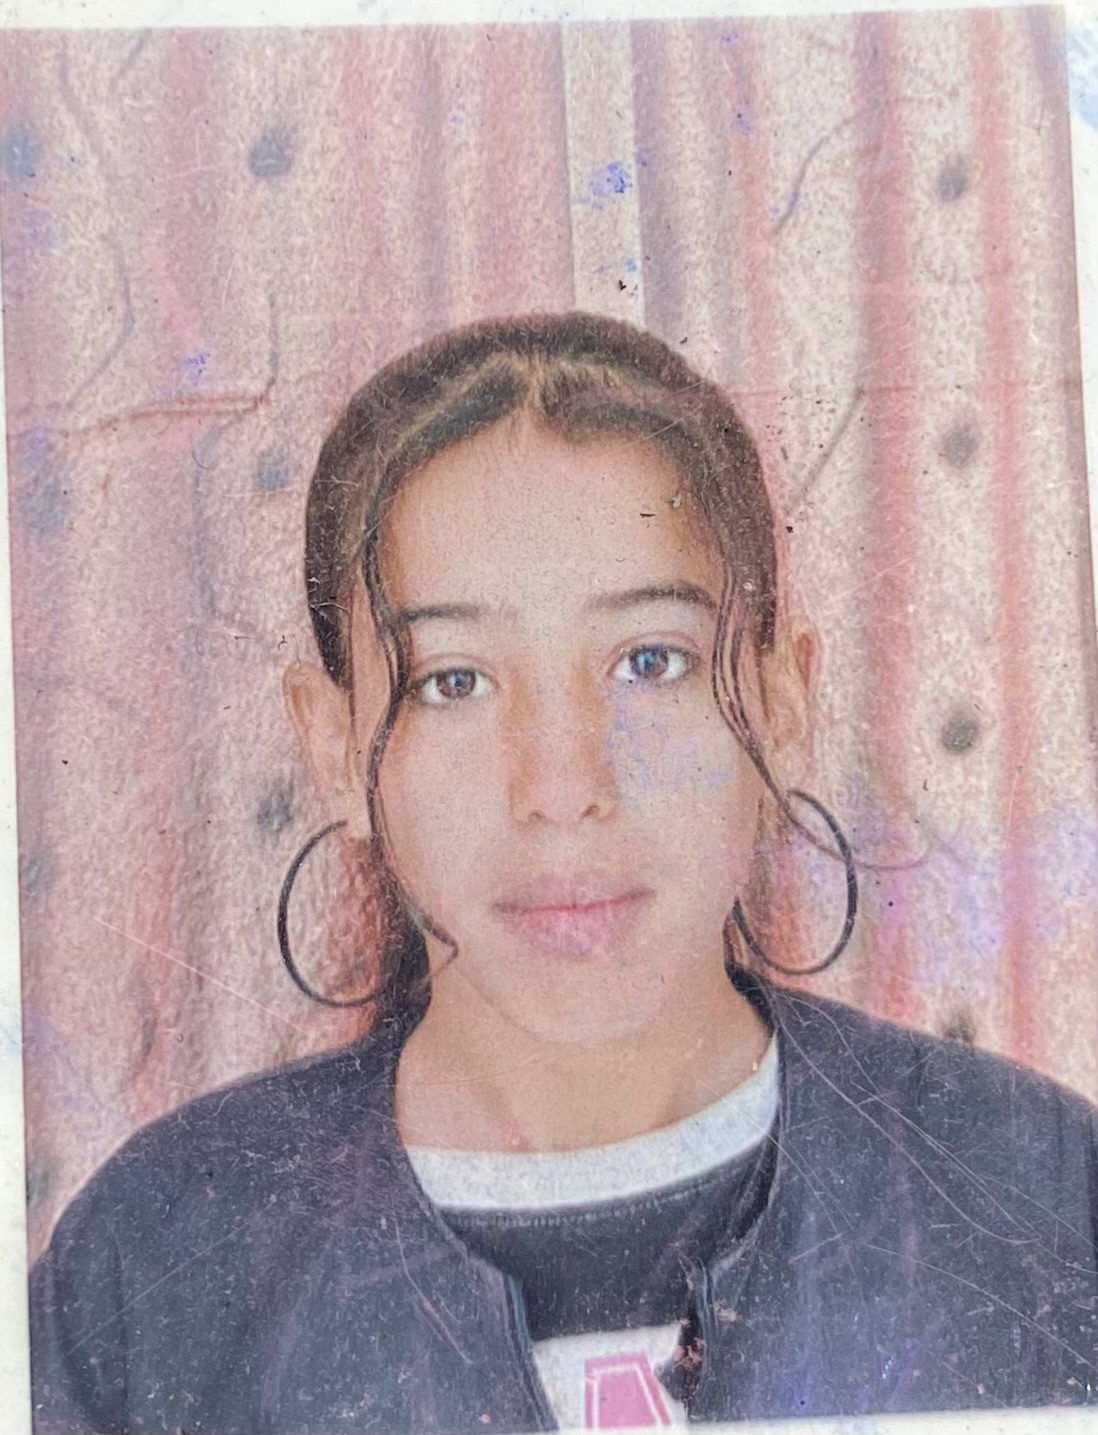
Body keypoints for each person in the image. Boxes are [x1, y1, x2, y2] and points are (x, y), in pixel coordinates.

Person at [29, 313, 1098, 1434]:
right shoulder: (152, 1265)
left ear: (783, 706)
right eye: (453, 681)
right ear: (335, 749)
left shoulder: (1040, 1194)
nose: (563, 785)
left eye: (650, 661)